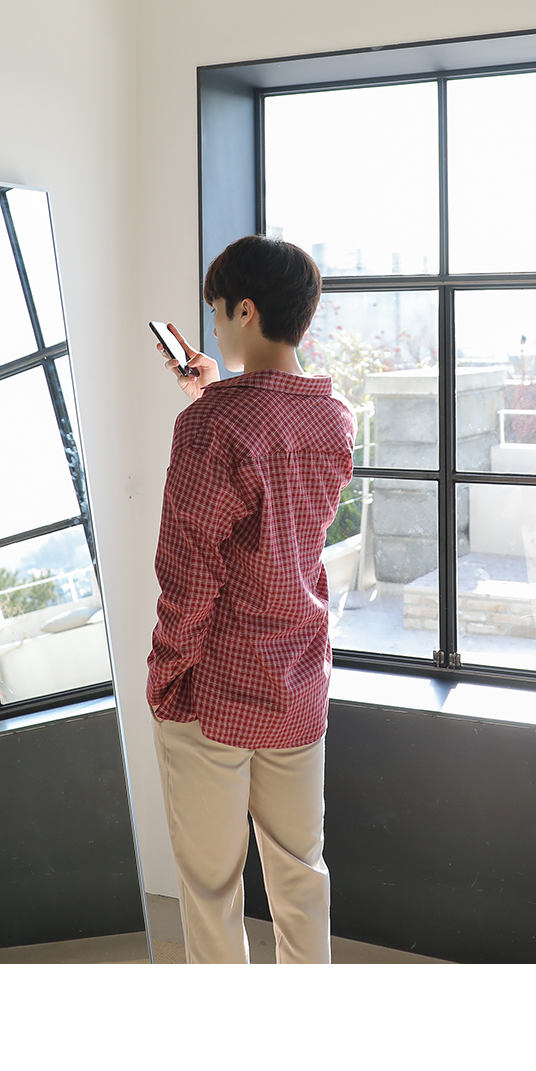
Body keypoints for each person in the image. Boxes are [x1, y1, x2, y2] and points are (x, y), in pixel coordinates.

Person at [148, 236, 355, 965]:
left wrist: (165, 674)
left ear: (246, 310)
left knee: (211, 890)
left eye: (217, 313)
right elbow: (274, 503)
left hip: (214, 688)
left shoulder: (210, 427)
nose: (213, 330)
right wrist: (214, 391)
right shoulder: (335, 418)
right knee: (301, 874)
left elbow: (189, 575)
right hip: (298, 678)